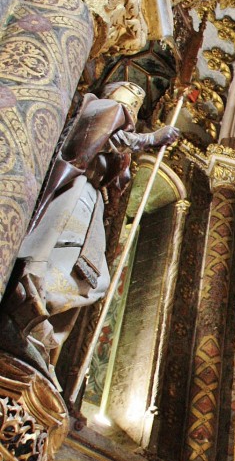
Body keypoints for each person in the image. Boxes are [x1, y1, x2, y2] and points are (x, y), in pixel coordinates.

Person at [1, 81, 178, 374]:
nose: (131, 107)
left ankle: (36, 323)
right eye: (130, 98)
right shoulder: (101, 108)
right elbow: (106, 137)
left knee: (96, 280)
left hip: (92, 199)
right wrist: (151, 139)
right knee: (57, 252)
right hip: (75, 192)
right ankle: (25, 307)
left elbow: (117, 171)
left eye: (135, 103)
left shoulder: (117, 125)